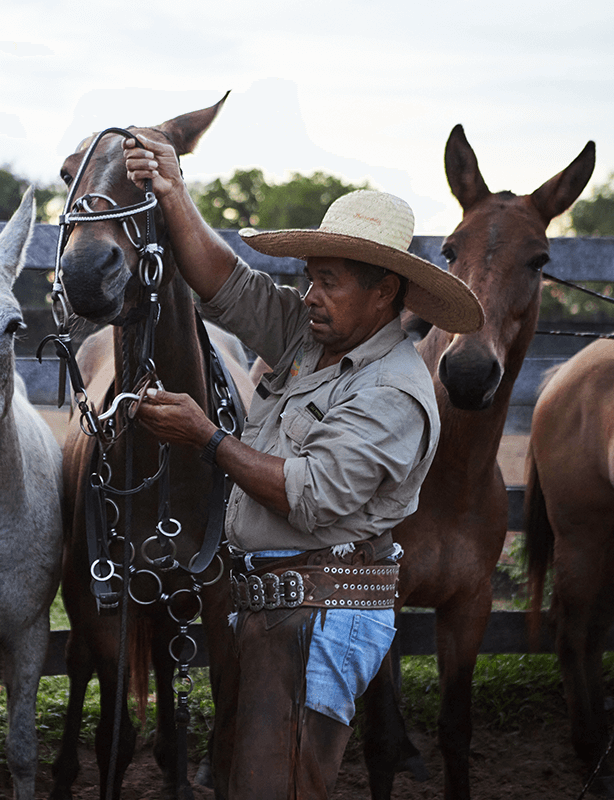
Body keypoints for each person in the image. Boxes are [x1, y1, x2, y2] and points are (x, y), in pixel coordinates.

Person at [122, 135, 483, 799]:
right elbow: (224, 284)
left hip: (322, 612)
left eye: (330, 282)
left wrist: (205, 438)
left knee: (280, 784)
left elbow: (309, 495)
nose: (311, 294)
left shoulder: (393, 391)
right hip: (285, 605)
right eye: (309, 277)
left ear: (385, 293)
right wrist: (174, 192)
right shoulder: (309, 334)